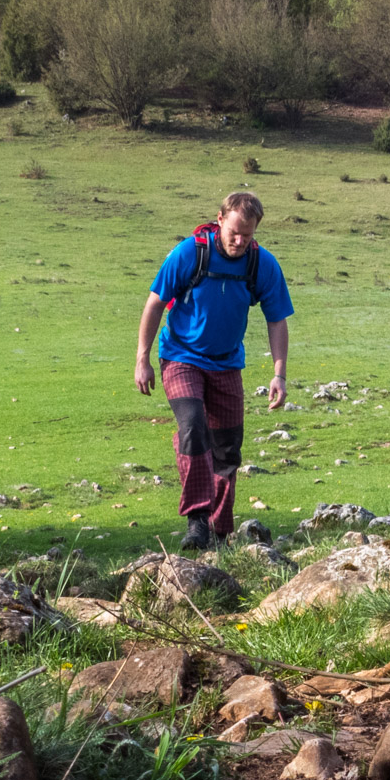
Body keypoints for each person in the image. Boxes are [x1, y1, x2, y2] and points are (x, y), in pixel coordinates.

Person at [135, 191, 293, 551]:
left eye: (248, 235)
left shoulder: (261, 264)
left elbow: (277, 319)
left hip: (226, 363)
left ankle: (220, 532)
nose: (239, 241)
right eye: (234, 231)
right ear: (219, 219)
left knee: (227, 449)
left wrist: (279, 373)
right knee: (192, 426)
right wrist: (142, 359)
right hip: (181, 356)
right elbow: (154, 304)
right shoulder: (190, 253)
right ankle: (196, 523)